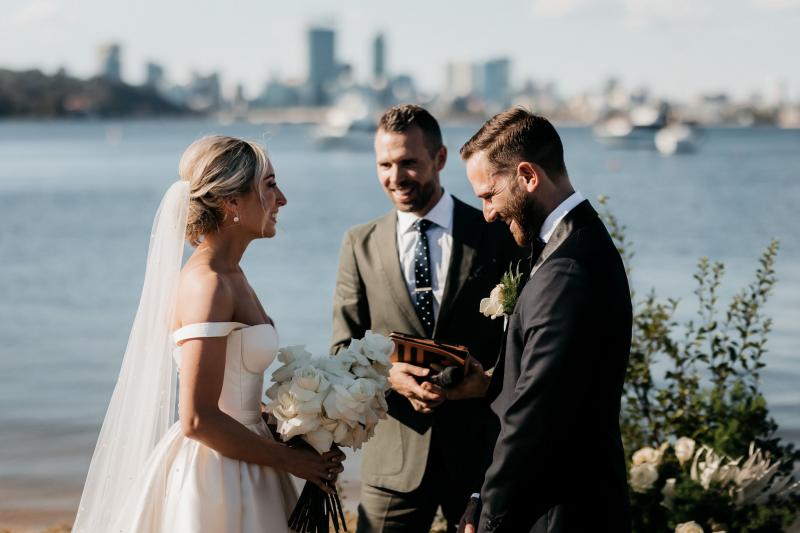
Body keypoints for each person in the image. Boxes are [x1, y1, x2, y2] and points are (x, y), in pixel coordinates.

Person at [73, 136, 344, 533]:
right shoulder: (209, 284)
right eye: (269, 185)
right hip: (217, 474)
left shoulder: (235, 276)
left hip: (251, 457)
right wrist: (291, 462)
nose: (282, 199)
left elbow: (233, 395)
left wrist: (297, 433)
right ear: (232, 202)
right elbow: (198, 419)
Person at [331, 104, 522, 533]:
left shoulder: (494, 231)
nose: (395, 177)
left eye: (408, 163)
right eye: (384, 164)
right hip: (392, 464)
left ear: (439, 159)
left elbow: (522, 340)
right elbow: (342, 350)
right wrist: (389, 376)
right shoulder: (358, 244)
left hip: (480, 460)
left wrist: (487, 380)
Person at [458, 109, 632, 533]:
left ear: (528, 176)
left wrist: (489, 518)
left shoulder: (567, 271)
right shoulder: (569, 245)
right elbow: (549, 382)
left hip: (560, 512)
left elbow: (535, 415)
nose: (487, 213)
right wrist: (488, 383)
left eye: (489, 194)